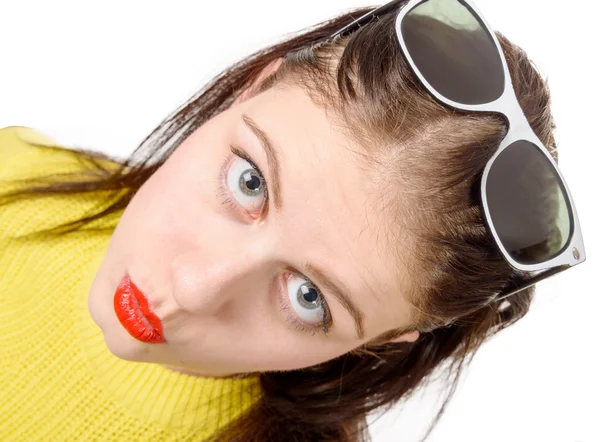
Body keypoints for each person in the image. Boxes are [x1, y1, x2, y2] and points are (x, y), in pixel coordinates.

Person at [0, 0, 586, 441]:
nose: (191, 289)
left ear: (382, 341)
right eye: (248, 182)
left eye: (309, 298)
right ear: (251, 91)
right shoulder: (14, 170)